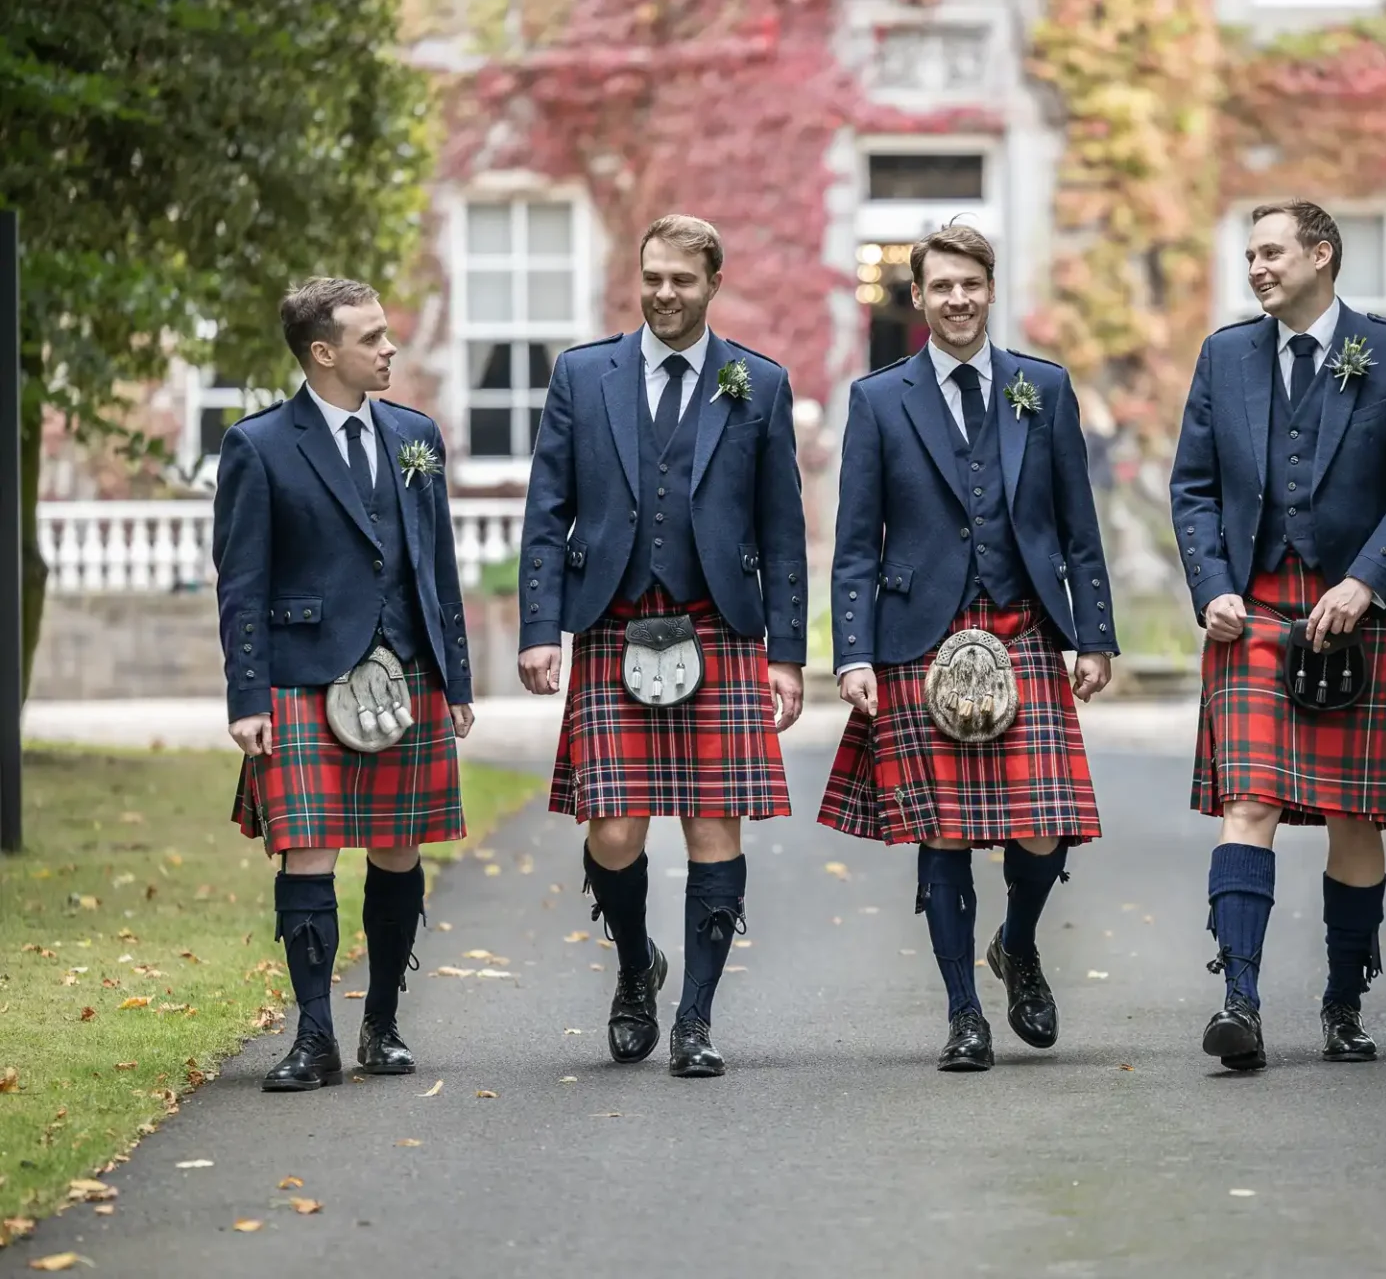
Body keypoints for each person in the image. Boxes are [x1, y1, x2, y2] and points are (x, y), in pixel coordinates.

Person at [818, 223, 1116, 1071]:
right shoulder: (879, 399)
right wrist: (853, 652)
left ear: (991, 289)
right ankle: (963, 1014)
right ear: (919, 297)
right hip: (918, 637)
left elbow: (1076, 526)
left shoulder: (1043, 388)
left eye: (970, 285)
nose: (956, 300)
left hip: (1022, 626)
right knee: (942, 832)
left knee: (1042, 827)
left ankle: (1016, 943)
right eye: (940, 286)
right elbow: (855, 544)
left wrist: (1092, 635)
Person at [518, 214, 806, 1079]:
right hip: (611, 622)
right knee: (612, 833)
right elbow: (545, 512)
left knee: (715, 825)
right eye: (652, 277)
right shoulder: (583, 374)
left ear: (713, 282)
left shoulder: (757, 382)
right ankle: (637, 966)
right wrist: (541, 629)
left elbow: (783, 531)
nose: (664, 293)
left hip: (714, 626)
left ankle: (695, 1019)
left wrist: (786, 651)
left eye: (682, 279)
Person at [1169, 201, 1386, 1071]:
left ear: (1321, 255)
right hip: (1255, 611)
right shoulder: (1226, 355)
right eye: (1249, 254)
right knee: (1246, 803)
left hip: (1357, 615)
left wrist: (1366, 580)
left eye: (1271, 252)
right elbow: (1194, 490)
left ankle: (1342, 1004)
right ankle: (1240, 1001)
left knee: (1353, 816)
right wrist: (1213, 587)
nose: (1255, 268)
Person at [214, 276, 476, 1092]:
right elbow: (241, 582)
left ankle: (385, 1024)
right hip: (302, 674)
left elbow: (437, 569)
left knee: (399, 852)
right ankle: (314, 1037)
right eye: (371, 338)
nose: (389, 347)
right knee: (308, 856)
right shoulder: (259, 446)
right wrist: (247, 698)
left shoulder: (413, 435)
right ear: (323, 353)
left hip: (407, 672)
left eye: (387, 333)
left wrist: (456, 677)